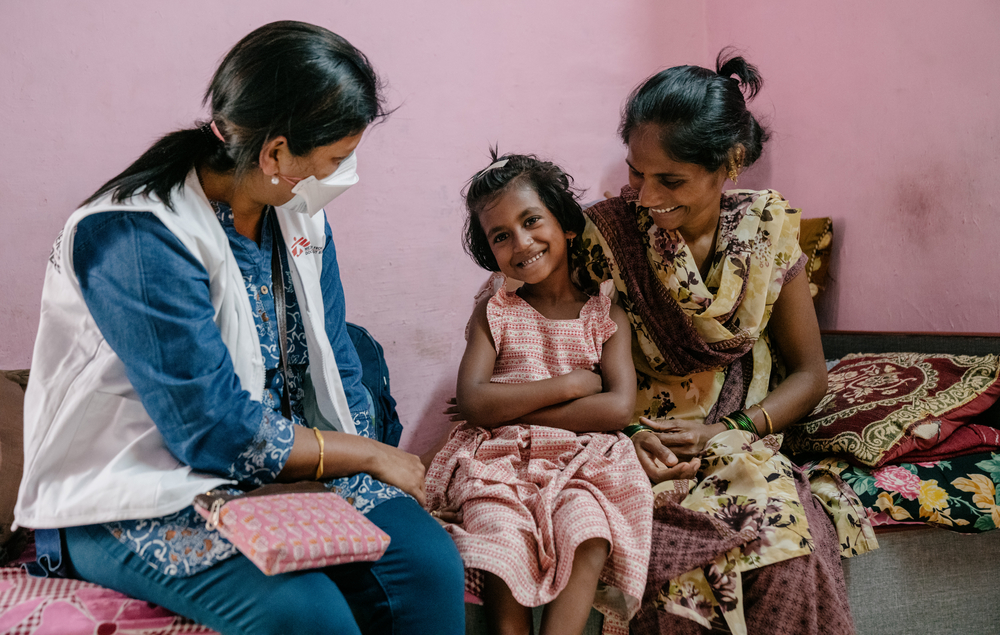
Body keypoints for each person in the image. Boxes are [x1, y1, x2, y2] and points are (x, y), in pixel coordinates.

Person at [14, 21, 464, 635]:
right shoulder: (135, 235)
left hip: (284, 470)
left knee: (430, 568)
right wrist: (372, 455)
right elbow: (213, 429)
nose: (345, 174)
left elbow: (337, 358)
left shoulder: (299, 218)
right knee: (307, 615)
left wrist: (364, 467)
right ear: (276, 152)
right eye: (337, 159)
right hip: (138, 488)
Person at [578, 51, 876, 634]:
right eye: (636, 172)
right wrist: (631, 440)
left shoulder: (766, 238)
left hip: (733, 440)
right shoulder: (606, 239)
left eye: (670, 180)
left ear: (730, 164)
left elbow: (810, 376)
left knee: (788, 546)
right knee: (678, 568)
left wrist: (730, 432)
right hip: (627, 445)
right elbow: (566, 365)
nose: (643, 196)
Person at [425, 153, 654, 635]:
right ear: (491, 251)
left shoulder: (605, 316)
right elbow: (475, 404)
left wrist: (512, 406)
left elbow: (617, 408)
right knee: (499, 532)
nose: (521, 242)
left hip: (582, 461)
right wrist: (570, 386)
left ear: (567, 227)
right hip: (498, 460)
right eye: (501, 235)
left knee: (589, 529)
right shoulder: (495, 311)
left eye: (532, 221)